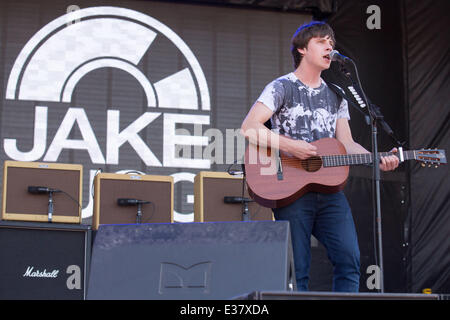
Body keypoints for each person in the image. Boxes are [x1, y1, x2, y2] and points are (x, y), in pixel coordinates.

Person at [240, 21, 399, 292]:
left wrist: (377, 158)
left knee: (349, 259)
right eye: (322, 41)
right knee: (297, 268)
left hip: (329, 192)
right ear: (302, 49)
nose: (329, 46)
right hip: (289, 187)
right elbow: (249, 127)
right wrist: (291, 146)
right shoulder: (282, 87)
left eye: (332, 43)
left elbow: (346, 143)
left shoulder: (337, 95)